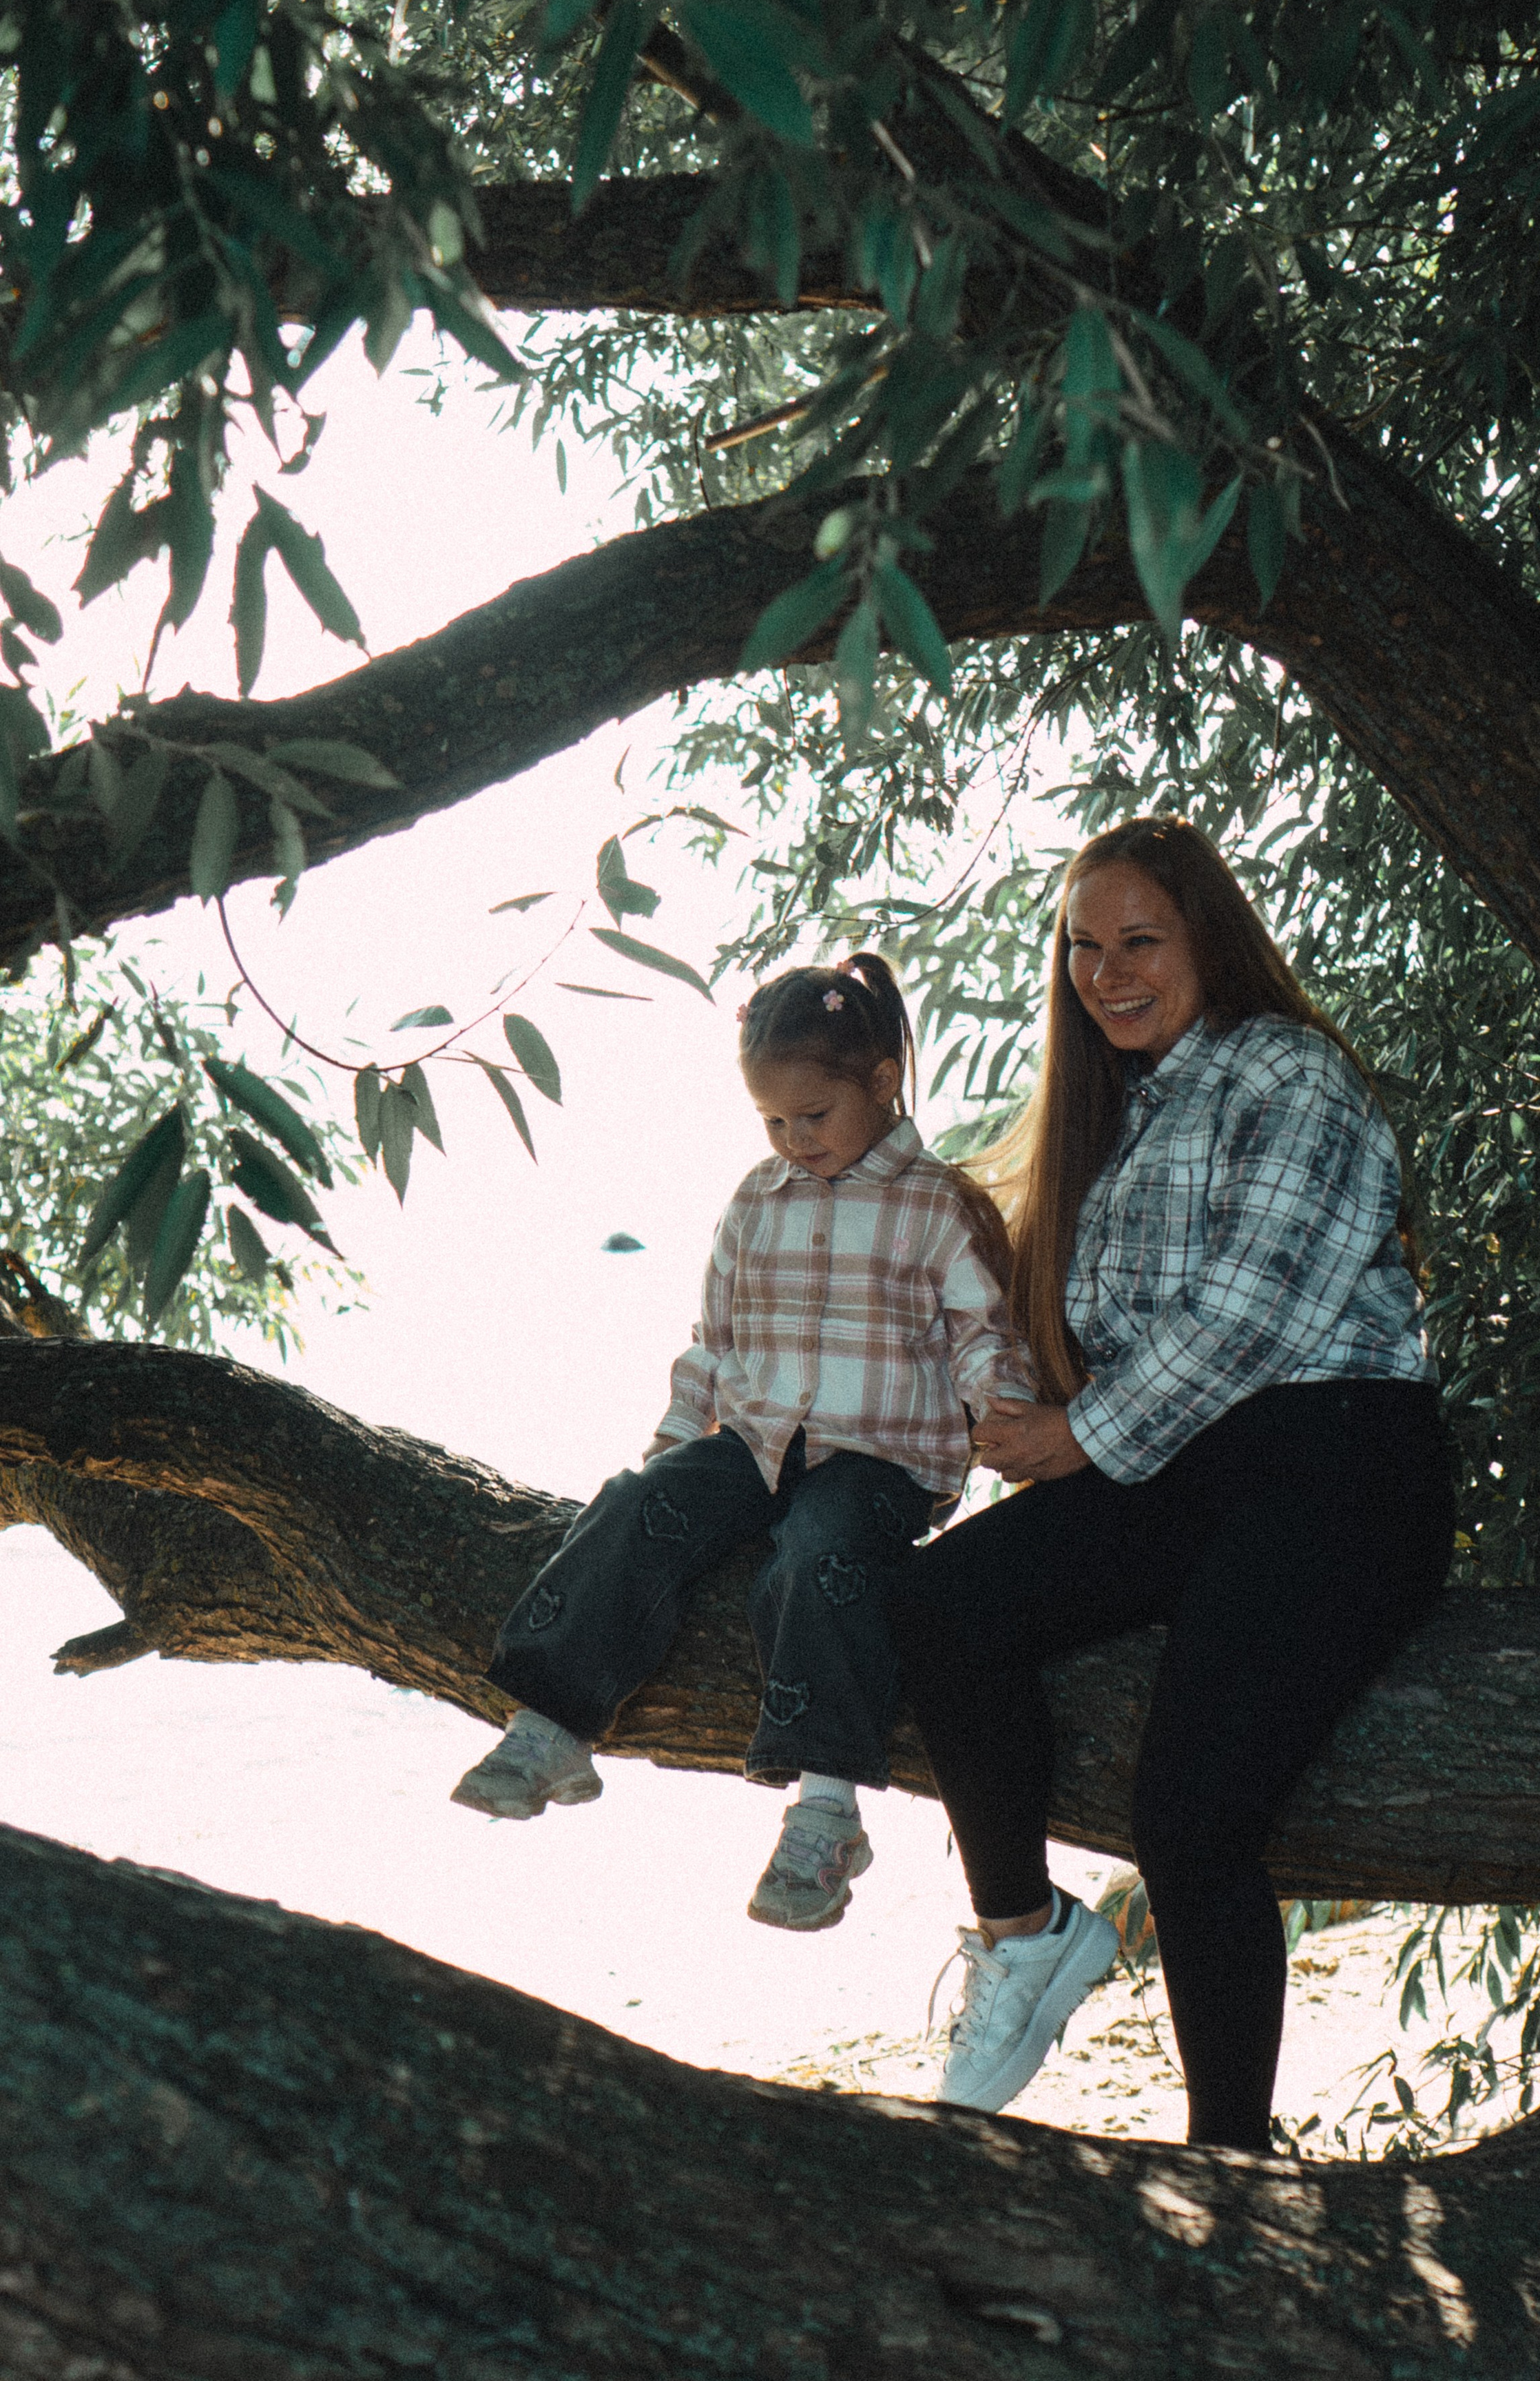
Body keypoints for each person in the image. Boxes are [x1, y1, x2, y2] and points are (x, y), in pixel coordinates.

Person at [888, 817, 1452, 2146]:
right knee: (935, 1608)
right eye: (1084, 947)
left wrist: (1076, 1443)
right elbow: (1107, 1330)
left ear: (1209, 937)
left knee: (1191, 1816)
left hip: (1337, 1468)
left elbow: (1251, 1314)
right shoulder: (1128, 1110)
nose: (1106, 972)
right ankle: (1025, 1935)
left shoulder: (1288, 1073)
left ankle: (1233, 2161)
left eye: (1140, 940)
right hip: (1189, 1465)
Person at [452, 952, 1033, 1932]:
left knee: (821, 1556)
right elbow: (715, 1346)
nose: (793, 1140)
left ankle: (828, 1811)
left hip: (880, 1460)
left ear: (882, 1081)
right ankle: (553, 1721)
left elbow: (983, 1332)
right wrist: (675, 1447)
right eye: (773, 1121)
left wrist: (1004, 1415)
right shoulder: (755, 1202)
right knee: (640, 1506)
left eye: (813, 1116)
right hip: (758, 1441)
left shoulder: (933, 1204)